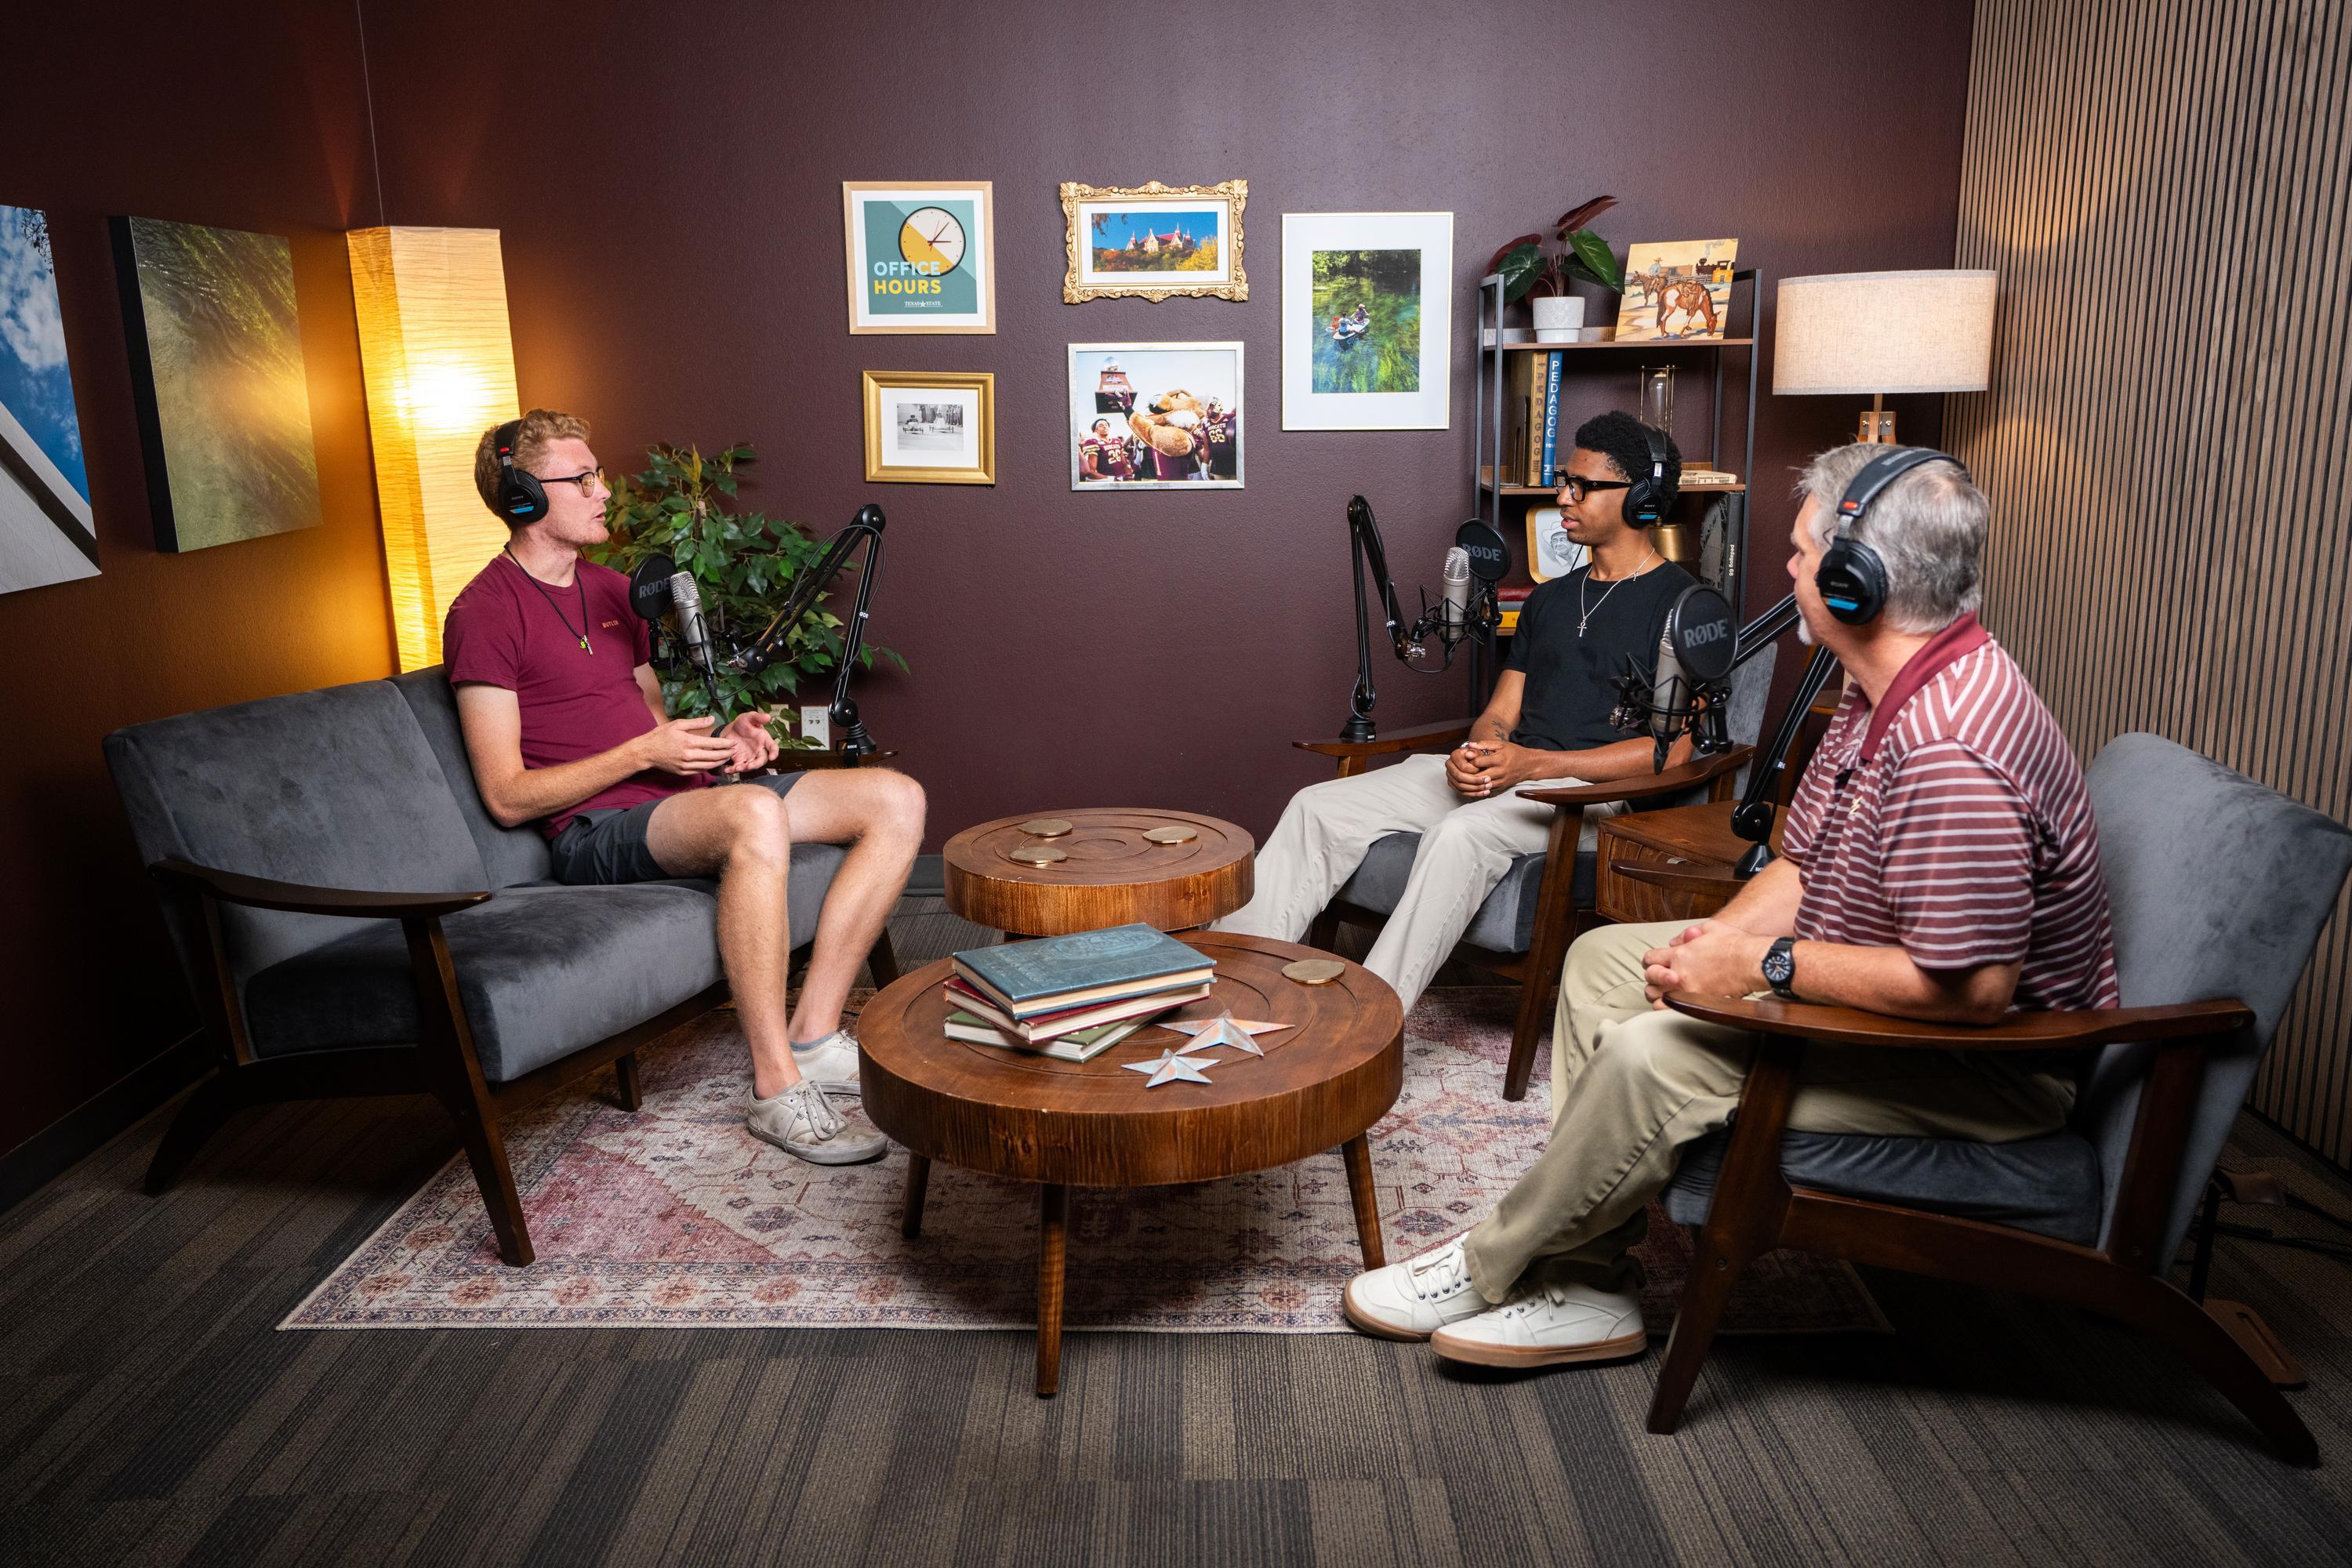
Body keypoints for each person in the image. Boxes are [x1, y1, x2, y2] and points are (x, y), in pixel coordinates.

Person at [1342, 443, 2121, 1367]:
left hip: (1976, 1069)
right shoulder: (1876, 695)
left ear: (1854, 580)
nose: (1787, 571)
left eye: (1800, 555)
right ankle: (1590, 1290)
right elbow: (1803, 860)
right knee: (1606, 962)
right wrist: (1717, 940)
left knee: (1654, 1052)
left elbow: (1973, 992)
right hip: (1875, 991)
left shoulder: (1952, 748)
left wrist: (1758, 966)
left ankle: (1490, 1262)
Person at [444, 410, 925, 1167]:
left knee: (895, 799)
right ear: (524, 497)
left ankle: (815, 1031)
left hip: (665, 802)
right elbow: (506, 794)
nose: (605, 492)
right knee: (756, 817)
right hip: (591, 833)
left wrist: (720, 746)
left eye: (598, 474)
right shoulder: (482, 613)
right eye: (584, 479)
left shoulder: (612, 591)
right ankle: (775, 1087)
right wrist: (642, 751)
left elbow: (656, 723)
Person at [1210, 412, 1697, 1016]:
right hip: (1515, 776)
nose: (1562, 497)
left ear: (1640, 499)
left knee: (1458, 835)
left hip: (1589, 796)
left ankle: (1368, 1023)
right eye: (1563, 481)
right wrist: (1484, 754)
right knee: (1318, 806)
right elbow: (1500, 713)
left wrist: (1531, 765)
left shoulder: (1685, 607)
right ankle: (1231, 988)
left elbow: (1671, 751)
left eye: (1582, 486)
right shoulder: (1549, 598)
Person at [1079, 417, 1133, 482]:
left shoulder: (1117, 441)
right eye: (1101, 425)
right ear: (1096, 430)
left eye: (1106, 425)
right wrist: (1111, 479)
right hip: (1107, 480)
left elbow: (1124, 464)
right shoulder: (1092, 443)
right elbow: (1091, 472)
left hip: (1122, 478)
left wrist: (1129, 476)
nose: (1104, 427)